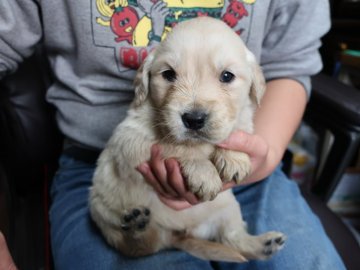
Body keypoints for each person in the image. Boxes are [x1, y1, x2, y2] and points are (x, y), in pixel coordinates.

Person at [0, 0, 346, 269]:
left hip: (245, 171)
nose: (194, 107)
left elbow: (291, 62)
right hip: (108, 170)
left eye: (226, 77)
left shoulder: (254, 83)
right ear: (146, 81)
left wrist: (262, 157)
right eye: (169, 75)